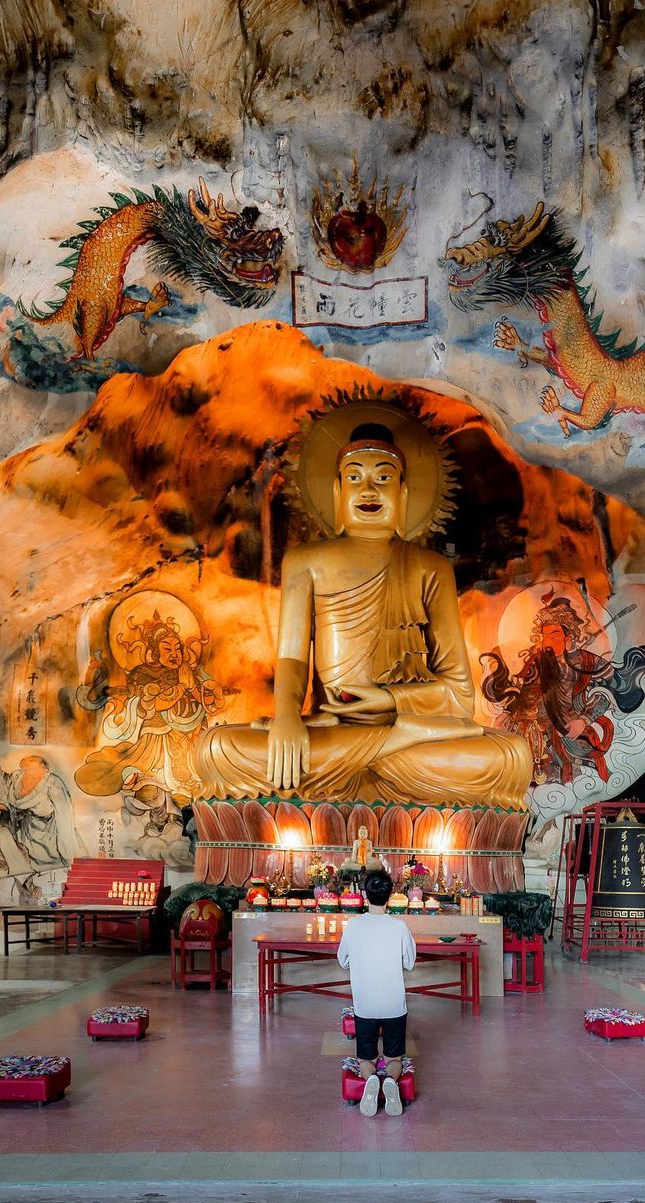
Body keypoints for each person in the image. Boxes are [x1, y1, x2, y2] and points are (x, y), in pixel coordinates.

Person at [198, 418, 531, 808]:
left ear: (403, 495)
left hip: (403, 731)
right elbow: (291, 657)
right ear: (337, 492)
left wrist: (387, 701)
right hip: (331, 733)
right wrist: (287, 717)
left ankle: (389, 750)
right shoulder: (305, 561)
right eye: (354, 479)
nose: (368, 489)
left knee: (510, 756)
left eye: (383, 478)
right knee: (217, 749)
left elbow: (458, 695)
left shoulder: (429, 567)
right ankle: (390, 754)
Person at [336, 870, 417, 1117]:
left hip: (365, 1006)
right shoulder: (399, 926)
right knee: (394, 1058)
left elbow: (342, 960)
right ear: (390, 895)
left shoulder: (353, 925)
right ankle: (391, 1081)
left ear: (363, 894)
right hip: (394, 1005)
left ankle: (370, 1077)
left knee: (365, 1057)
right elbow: (410, 962)